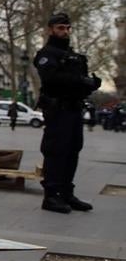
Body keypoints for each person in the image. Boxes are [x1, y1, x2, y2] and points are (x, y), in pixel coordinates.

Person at [34, 12, 101, 213]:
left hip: (74, 109)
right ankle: (51, 196)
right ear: (51, 29)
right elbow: (52, 79)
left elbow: (78, 81)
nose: (65, 31)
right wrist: (81, 81)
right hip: (57, 110)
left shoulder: (74, 56)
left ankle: (66, 193)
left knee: (73, 150)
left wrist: (91, 84)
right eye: (61, 28)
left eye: (67, 28)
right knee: (56, 151)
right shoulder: (47, 54)